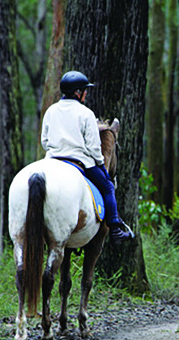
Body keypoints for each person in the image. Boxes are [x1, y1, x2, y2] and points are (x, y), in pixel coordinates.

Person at [41, 70, 132, 245]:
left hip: (51, 159)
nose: (86, 94)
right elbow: (93, 147)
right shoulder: (86, 113)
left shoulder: (51, 111)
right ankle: (115, 229)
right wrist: (101, 164)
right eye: (84, 90)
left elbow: (44, 141)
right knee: (108, 186)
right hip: (78, 161)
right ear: (78, 92)